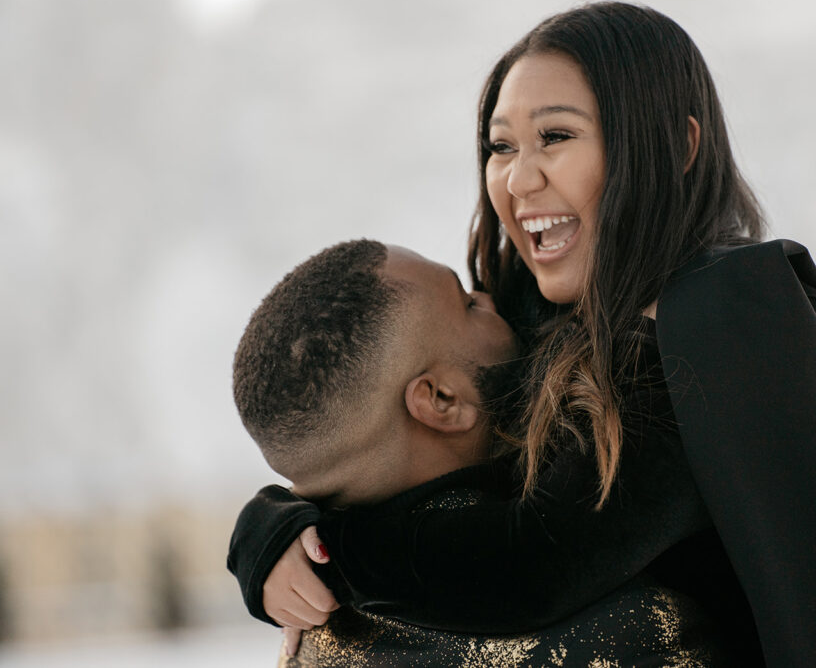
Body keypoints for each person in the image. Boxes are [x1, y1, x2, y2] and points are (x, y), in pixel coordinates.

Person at [229, 2, 816, 668]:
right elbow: (379, 432)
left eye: (555, 137)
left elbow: (538, 561)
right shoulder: (534, 313)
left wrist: (334, 551)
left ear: (676, 145)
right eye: (501, 145)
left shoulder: (730, 323)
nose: (518, 177)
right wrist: (275, 526)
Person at [230, 238, 728, 666]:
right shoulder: (633, 627)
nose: (489, 298)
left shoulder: (306, 630)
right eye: (468, 304)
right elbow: (538, 559)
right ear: (441, 401)